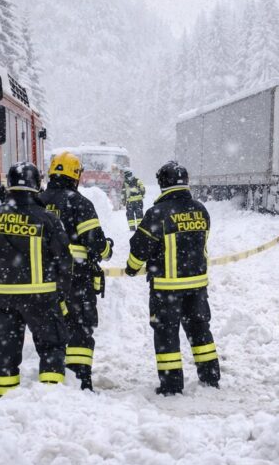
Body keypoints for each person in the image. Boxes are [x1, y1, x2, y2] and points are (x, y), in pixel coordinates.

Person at [0, 162, 71, 397]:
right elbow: (64, 261)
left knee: (7, 349)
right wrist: (61, 293)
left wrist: (1, 277)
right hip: (42, 297)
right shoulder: (47, 219)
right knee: (51, 346)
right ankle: (51, 395)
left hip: (4, 298)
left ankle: (4, 396)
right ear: (37, 185)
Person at [125, 161, 220, 395]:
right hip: (197, 286)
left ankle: (171, 385)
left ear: (162, 183)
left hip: (166, 288)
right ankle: (210, 377)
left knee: (167, 334)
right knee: (200, 330)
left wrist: (131, 268)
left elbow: (139, 248)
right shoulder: (201, 209)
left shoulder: (158, 213)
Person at [39, 151, 114, 391]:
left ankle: (52, 378)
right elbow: (96, 243)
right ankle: (80, 380)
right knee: (80, 329)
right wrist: (107, 249)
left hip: (43, 279)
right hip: (76, 279)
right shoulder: (79, 203)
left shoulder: (38, 202)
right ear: (76, 175)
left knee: (51, 328)